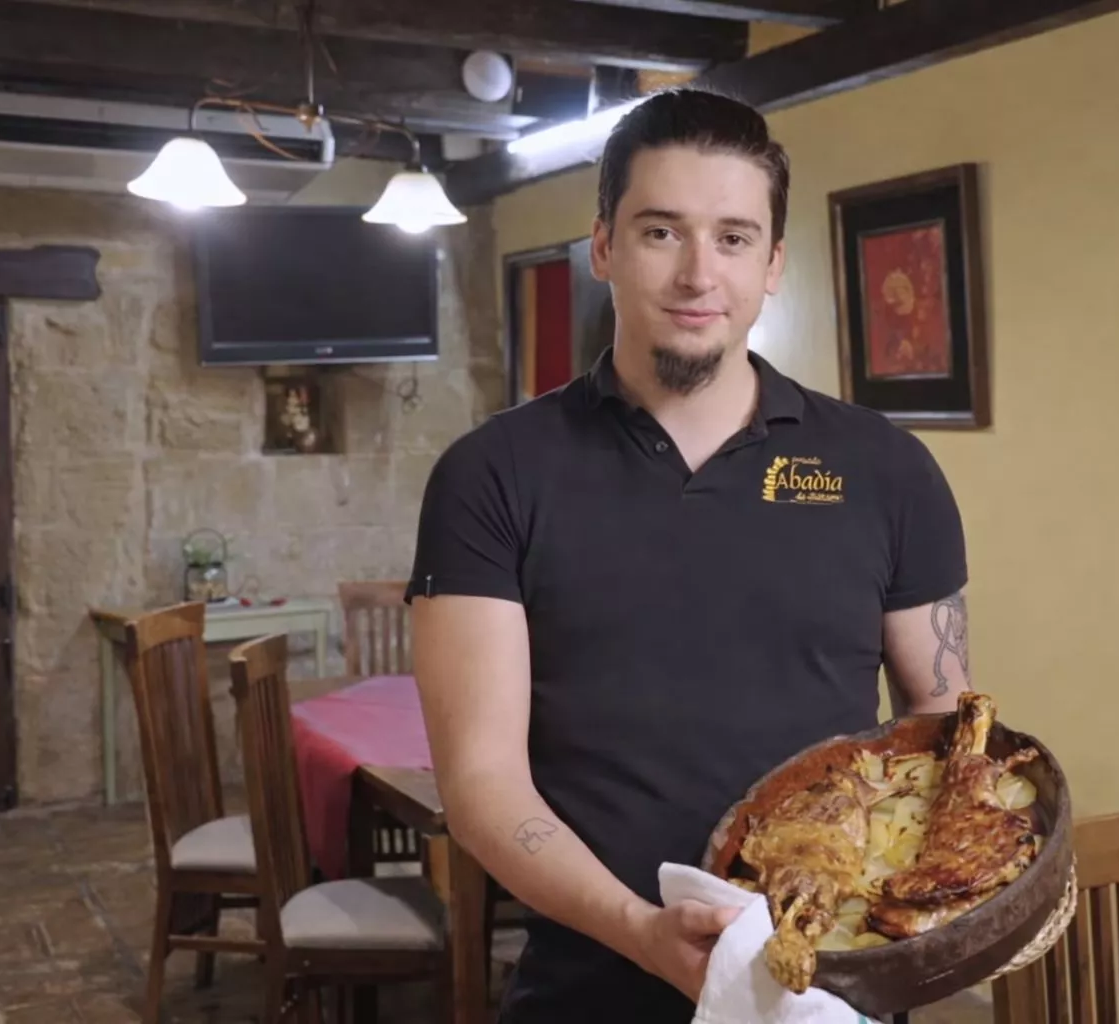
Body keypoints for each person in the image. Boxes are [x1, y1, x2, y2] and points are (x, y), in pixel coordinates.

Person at [407, 88, 970, 1024]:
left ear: (774, 264)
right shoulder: (492, 476)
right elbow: (481, 783)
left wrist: (895, 906)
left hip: (825, 991)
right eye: (661, 232)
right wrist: (638, 929)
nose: (698, 273)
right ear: (604, 248)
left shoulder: (888, 470)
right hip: (590, 986)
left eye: (735, 237)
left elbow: (940, 720)